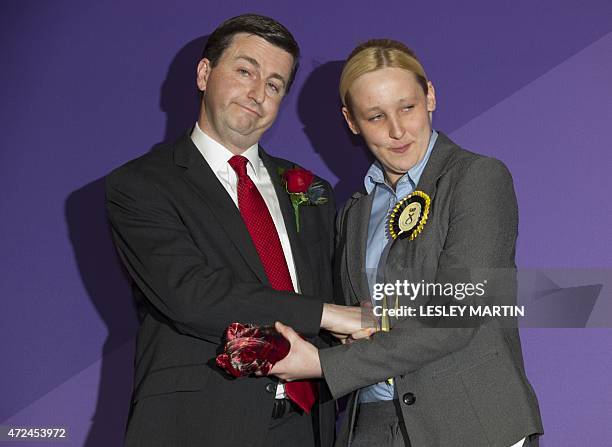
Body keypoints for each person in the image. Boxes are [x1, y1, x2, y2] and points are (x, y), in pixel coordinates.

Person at [105, 14, 363, 447]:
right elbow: (192, 295)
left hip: (306, 425)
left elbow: (338, 291)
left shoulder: (311, 189)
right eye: (245, 71)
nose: (258, 93)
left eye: (275, 84)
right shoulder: (140, 184)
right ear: (205, 74)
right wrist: (329, 314)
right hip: (198, 424)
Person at [270, 39, 544, 447]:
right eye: (376, 116)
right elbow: (367, 313)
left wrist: (324, 364)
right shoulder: (355, 210)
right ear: (351, 121)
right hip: (373, 423)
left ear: (430, 96)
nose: (397, 130)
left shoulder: (476, 178)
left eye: (407, 107)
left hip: (471, 422)